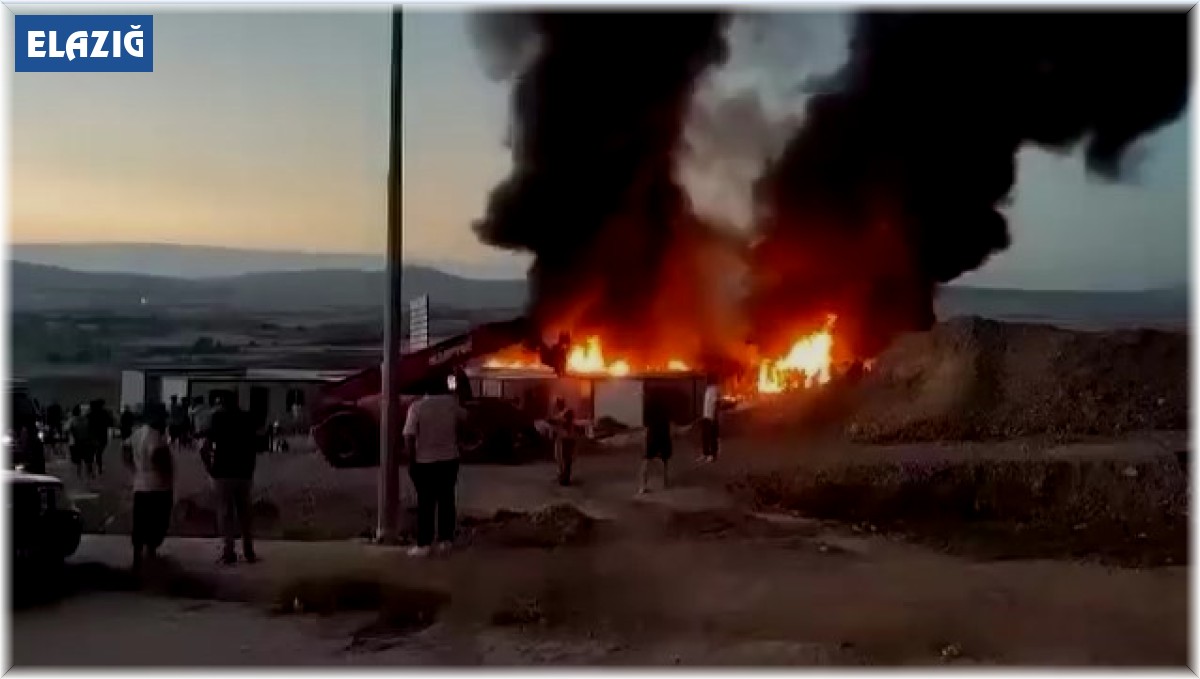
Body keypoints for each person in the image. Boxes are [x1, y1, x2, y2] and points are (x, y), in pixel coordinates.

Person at [403, 377, 468, 557]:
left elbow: (409, 436)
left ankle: (424, 544)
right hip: (449, 459)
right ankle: (445, 541)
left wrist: (411, 461)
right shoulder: (451, 404)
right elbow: (466, 418)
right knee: (447, 500)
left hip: (424, 462)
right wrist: (459, 441)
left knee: (426, 503)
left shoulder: (417, 407)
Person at [200, 395, 259, 565]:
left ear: (223, 405)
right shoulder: (248, 418)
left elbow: (205, 447)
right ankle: (249, 551)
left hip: (223, 471)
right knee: (245, 513)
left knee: (226, 513)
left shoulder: (218, 419)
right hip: (244, 472)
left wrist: (209, 467)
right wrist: (251, 468)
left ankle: (229, 552)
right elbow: (254, 445)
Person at [124, 404, 174, 571]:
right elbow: (159, 458)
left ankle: (137, 554)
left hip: (140, 484)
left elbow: (125, 451)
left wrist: (134, 469)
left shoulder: (136, 434)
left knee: (140, 521)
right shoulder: (156, 437)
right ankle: (151, 550)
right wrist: (167, 474)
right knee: (157, 520)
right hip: (158, 486)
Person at [639, 395, 673, 494]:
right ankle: (665, 482)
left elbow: (646, 425)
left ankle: (643, 486)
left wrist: (645, 440)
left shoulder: (649, 406)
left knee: (647, 460)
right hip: (661, 434)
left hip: (654, 435)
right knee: (663, 459)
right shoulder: (664, 408)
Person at [550, 397, 578, 486]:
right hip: (562, 438)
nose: (556, 406)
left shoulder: (568, 411)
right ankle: (562, 476)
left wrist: (555, 421)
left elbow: (566, 422)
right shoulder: (560, 413)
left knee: (565, 459)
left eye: (558, 404)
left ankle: (565, 479)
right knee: (559, 458)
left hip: (567, 438)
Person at [68, 405, 95, 480]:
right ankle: (88, 475)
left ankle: (80, 476)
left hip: (78, 442)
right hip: (86, 442)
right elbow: (91, 431)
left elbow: (68, 430)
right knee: (87, 460)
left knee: (79, 461)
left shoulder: (73, 420)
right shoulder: (87, 420)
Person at [87, 399, 113, 476]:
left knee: (91, 454)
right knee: (99, 454)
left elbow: (86, 426)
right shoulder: (105, 414)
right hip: (102, 437)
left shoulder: (89, 415)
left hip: (92, 437)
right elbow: (110, 423)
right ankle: (99, 469)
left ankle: (90, 470)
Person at [699, 376, 721, 463]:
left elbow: (716, 404)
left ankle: (713, 455)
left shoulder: (715, 390)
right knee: (705, 436)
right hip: (706, 416)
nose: (705, 380)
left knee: (712, 436)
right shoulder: (708, 389)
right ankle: (705, 453)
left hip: (711, 417)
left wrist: (714, 417)